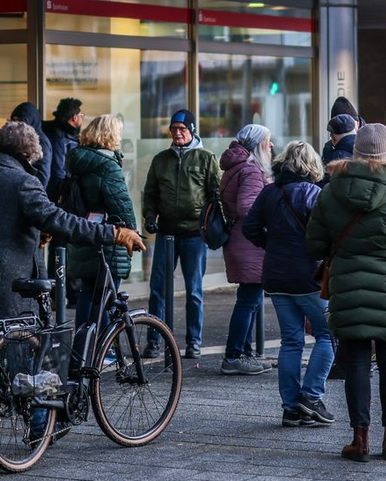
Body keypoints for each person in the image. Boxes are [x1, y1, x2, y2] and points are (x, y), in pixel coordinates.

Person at [0, 120, 146, 459]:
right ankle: (40, 427)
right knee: (34, 356)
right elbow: (60, 220)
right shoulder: (22, 182)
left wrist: (31, 231)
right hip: (6, 289)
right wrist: (114, 234)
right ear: (26, 154)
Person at [306, 123, 386, 463]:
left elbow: (314, 244)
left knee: (357, 362)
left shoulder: (332, 192)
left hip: (348, 289)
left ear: (356, 152)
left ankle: (359, 439)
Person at [243, 141, 334, 426]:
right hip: (308, 277)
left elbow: (249, 228)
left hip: (276, 277)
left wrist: (272, 245)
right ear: (312, 165)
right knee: (327, 335)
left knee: (291, 341)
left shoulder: (270, 192)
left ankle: (291, 408)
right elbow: (325, 237)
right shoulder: (314, 194)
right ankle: (311, 396)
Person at [142, 109, 221, 359]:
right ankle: (154, 341)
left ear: (192, 130)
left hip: (194, 234)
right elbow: (151, 192)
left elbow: (216, 193)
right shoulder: (161, 160)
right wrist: (149, 217)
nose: (177, 133)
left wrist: (210, 223)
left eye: (182, 129)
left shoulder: (207, 158)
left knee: (194, 290)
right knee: (157, 289)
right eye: (173, 129)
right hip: (166, 232)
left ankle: (193, 341)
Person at [65, 113, 138, 331]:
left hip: (83, 233)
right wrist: (132, 231)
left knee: (88, 294)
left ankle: (83, 350)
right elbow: (122, 205)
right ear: (110, 135)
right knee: (106, 296)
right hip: (107, 237)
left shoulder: (78, 160)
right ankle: (101, 354)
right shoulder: (107, 165)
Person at [219, 125, 273, 376]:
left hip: (241, 242)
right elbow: (248, 208)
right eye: (267, 142)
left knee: (250, 300)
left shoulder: (237, 166)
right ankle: (234, 355)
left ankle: (244, 353)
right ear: (257, 144)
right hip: (249, 243)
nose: (271, 146)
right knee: (248, 301)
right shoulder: (251, 169)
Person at [43, 98, 83, 198]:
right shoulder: (60, 139)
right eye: (81, 115)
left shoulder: (52, 131)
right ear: (74, 118)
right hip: (57, 195)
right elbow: (58, 171)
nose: (82, 118)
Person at [10, 101, 52, 186]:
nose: (17, 124)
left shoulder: (41, 142)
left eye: (20, 121)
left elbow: (42, 176)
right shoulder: (17, 138)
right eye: (14, 120)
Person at [320, 96, 361, 165]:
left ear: (357, 123)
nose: (345, 127)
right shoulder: (329, 148)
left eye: (350, 123)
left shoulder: (371, 141)